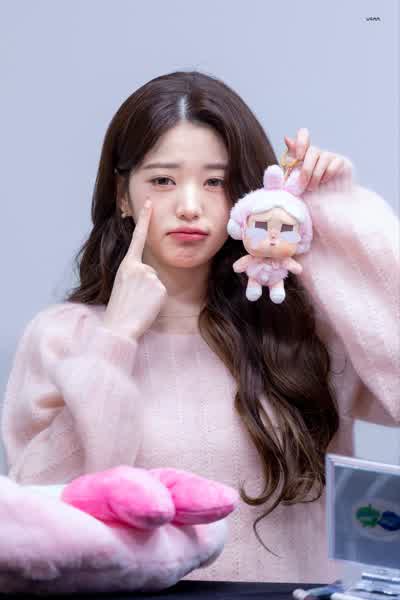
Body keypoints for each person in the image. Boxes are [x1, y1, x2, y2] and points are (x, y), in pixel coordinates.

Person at [1, 70, 399, 584]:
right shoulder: (63, 338)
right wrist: (116, 340)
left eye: (215, 182)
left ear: (246, 195)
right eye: (163, 181)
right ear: (123, 195)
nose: (190, 205)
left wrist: (342, 214)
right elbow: (44, 523)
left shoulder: (306, 328)